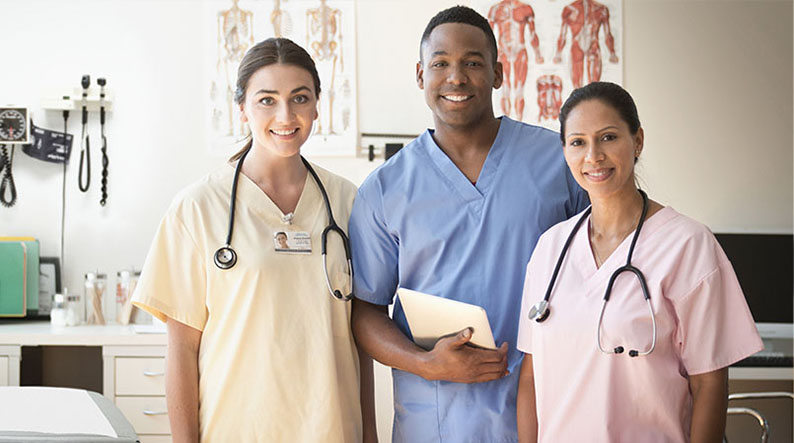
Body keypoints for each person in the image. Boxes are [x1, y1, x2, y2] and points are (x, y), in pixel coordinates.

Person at [349, 6, 588, 442]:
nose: (456, 77)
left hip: (547, 412)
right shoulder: (384, 190)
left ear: (498, 73)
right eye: (440, 64)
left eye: (472, 63)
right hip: (435, 422)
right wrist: (425, 363)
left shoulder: (558, 162)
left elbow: (601, 266)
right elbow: (365, 312)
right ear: (420, 75)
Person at [132, 38, 376, 442]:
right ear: (241, 107)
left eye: (300, 98)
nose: (286, 114)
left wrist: (369, 434)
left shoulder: (348, 202)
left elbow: (359, 338)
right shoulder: (196, 208)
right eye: (267, 100)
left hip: (333, 429)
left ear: (318, 105)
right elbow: (181, 350)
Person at [516, 82, 763, 442]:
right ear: (566, 151)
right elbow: (530, 377)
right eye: (578, 142)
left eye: (609, 137)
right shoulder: (551, 247)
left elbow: (709, 382)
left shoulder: (687, 245)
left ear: (638, 141)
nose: (593, 156)